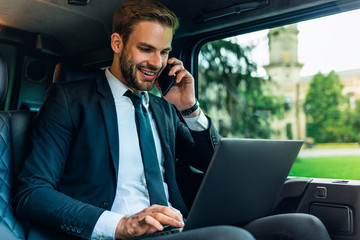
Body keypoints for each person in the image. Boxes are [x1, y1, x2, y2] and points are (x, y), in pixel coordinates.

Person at [14, 0, 330, 240]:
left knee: (303, 226)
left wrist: (189, 109)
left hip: (178, 227)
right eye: (146, 49)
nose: (157, 63)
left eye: (164, 52)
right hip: (117, 234)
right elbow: (32, 192)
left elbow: (214, 164)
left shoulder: (163, 109)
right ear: (117, 43)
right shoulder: (69, 99)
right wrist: (121, 225)